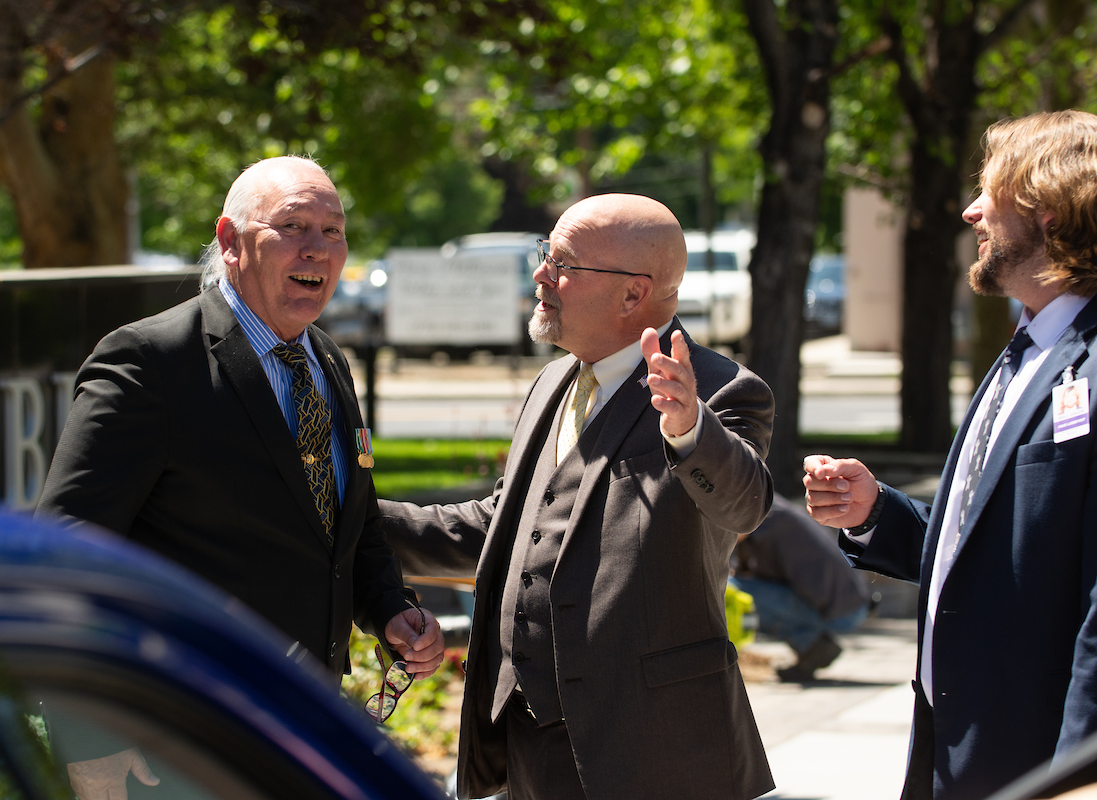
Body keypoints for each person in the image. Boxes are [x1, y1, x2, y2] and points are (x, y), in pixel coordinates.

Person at [37, 156, 444, 797]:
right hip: (173, 745)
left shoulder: (327, 359)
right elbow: (65, 555)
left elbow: (347, 525)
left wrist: (390, 609)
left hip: (298, 734)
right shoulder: (150, 362)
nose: (318, 248)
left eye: (333, 231)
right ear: (230, 241)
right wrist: (92, 738)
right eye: (294, 226)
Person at [380, 193, 776, 800]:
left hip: (653, 756)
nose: (542, 274)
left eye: (563, 262)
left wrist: (689, 429)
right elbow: (507, 533)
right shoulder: (556, 381)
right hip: (530, 752)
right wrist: (349, 521)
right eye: (547, 253)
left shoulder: (721, 392)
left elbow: (744, 503)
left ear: (632, 293)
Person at [804, 110, 1097, 800]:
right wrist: (878, 514)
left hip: (1041, 766)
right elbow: (1002, 547)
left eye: (989, 194)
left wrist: (1077, 778)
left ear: (1048, 212)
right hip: (953, 749)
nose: (971, 212)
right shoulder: (1026, 349)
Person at [730, 494, 872, 682]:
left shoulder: (764, 518)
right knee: (735, 585)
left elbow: (731, 540)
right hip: (849, 604)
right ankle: (811, 646)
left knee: (731, 591)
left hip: (843, 612)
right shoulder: (769, 508)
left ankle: (812, 644)